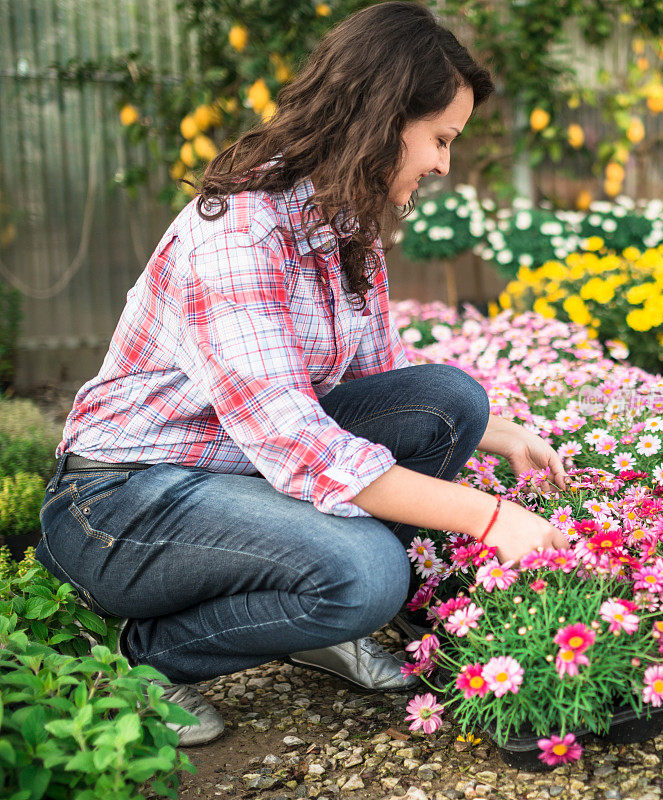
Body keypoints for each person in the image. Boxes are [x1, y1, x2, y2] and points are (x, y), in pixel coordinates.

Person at [36, 1, 568, 747]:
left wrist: (497, 433)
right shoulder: (242, 229)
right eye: (440, 139)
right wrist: (490, 517)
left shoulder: (349, 222)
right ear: (383, 118)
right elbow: (298, 445)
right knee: (366, 575)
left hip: (232, 471)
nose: (445, 163)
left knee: (451, 404)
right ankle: (142, 663)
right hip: (121, 501)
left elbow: (384, 390)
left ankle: (311, 619)